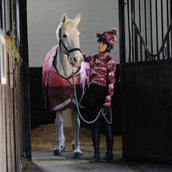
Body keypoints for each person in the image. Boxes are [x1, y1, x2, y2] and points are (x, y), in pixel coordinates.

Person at [81, 28, 118, 162]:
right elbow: (83, 57)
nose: (99, 45)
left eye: (102, 43)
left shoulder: (110, 63)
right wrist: (75, 49)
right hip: (93, 94)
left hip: (104, 95)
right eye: (99, 42)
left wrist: (107, 102)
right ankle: (96, 154)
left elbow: (111, 83)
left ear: (109, 46)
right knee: (94, 125)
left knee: (107, 125)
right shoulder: (93, 58)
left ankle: (109, 154)